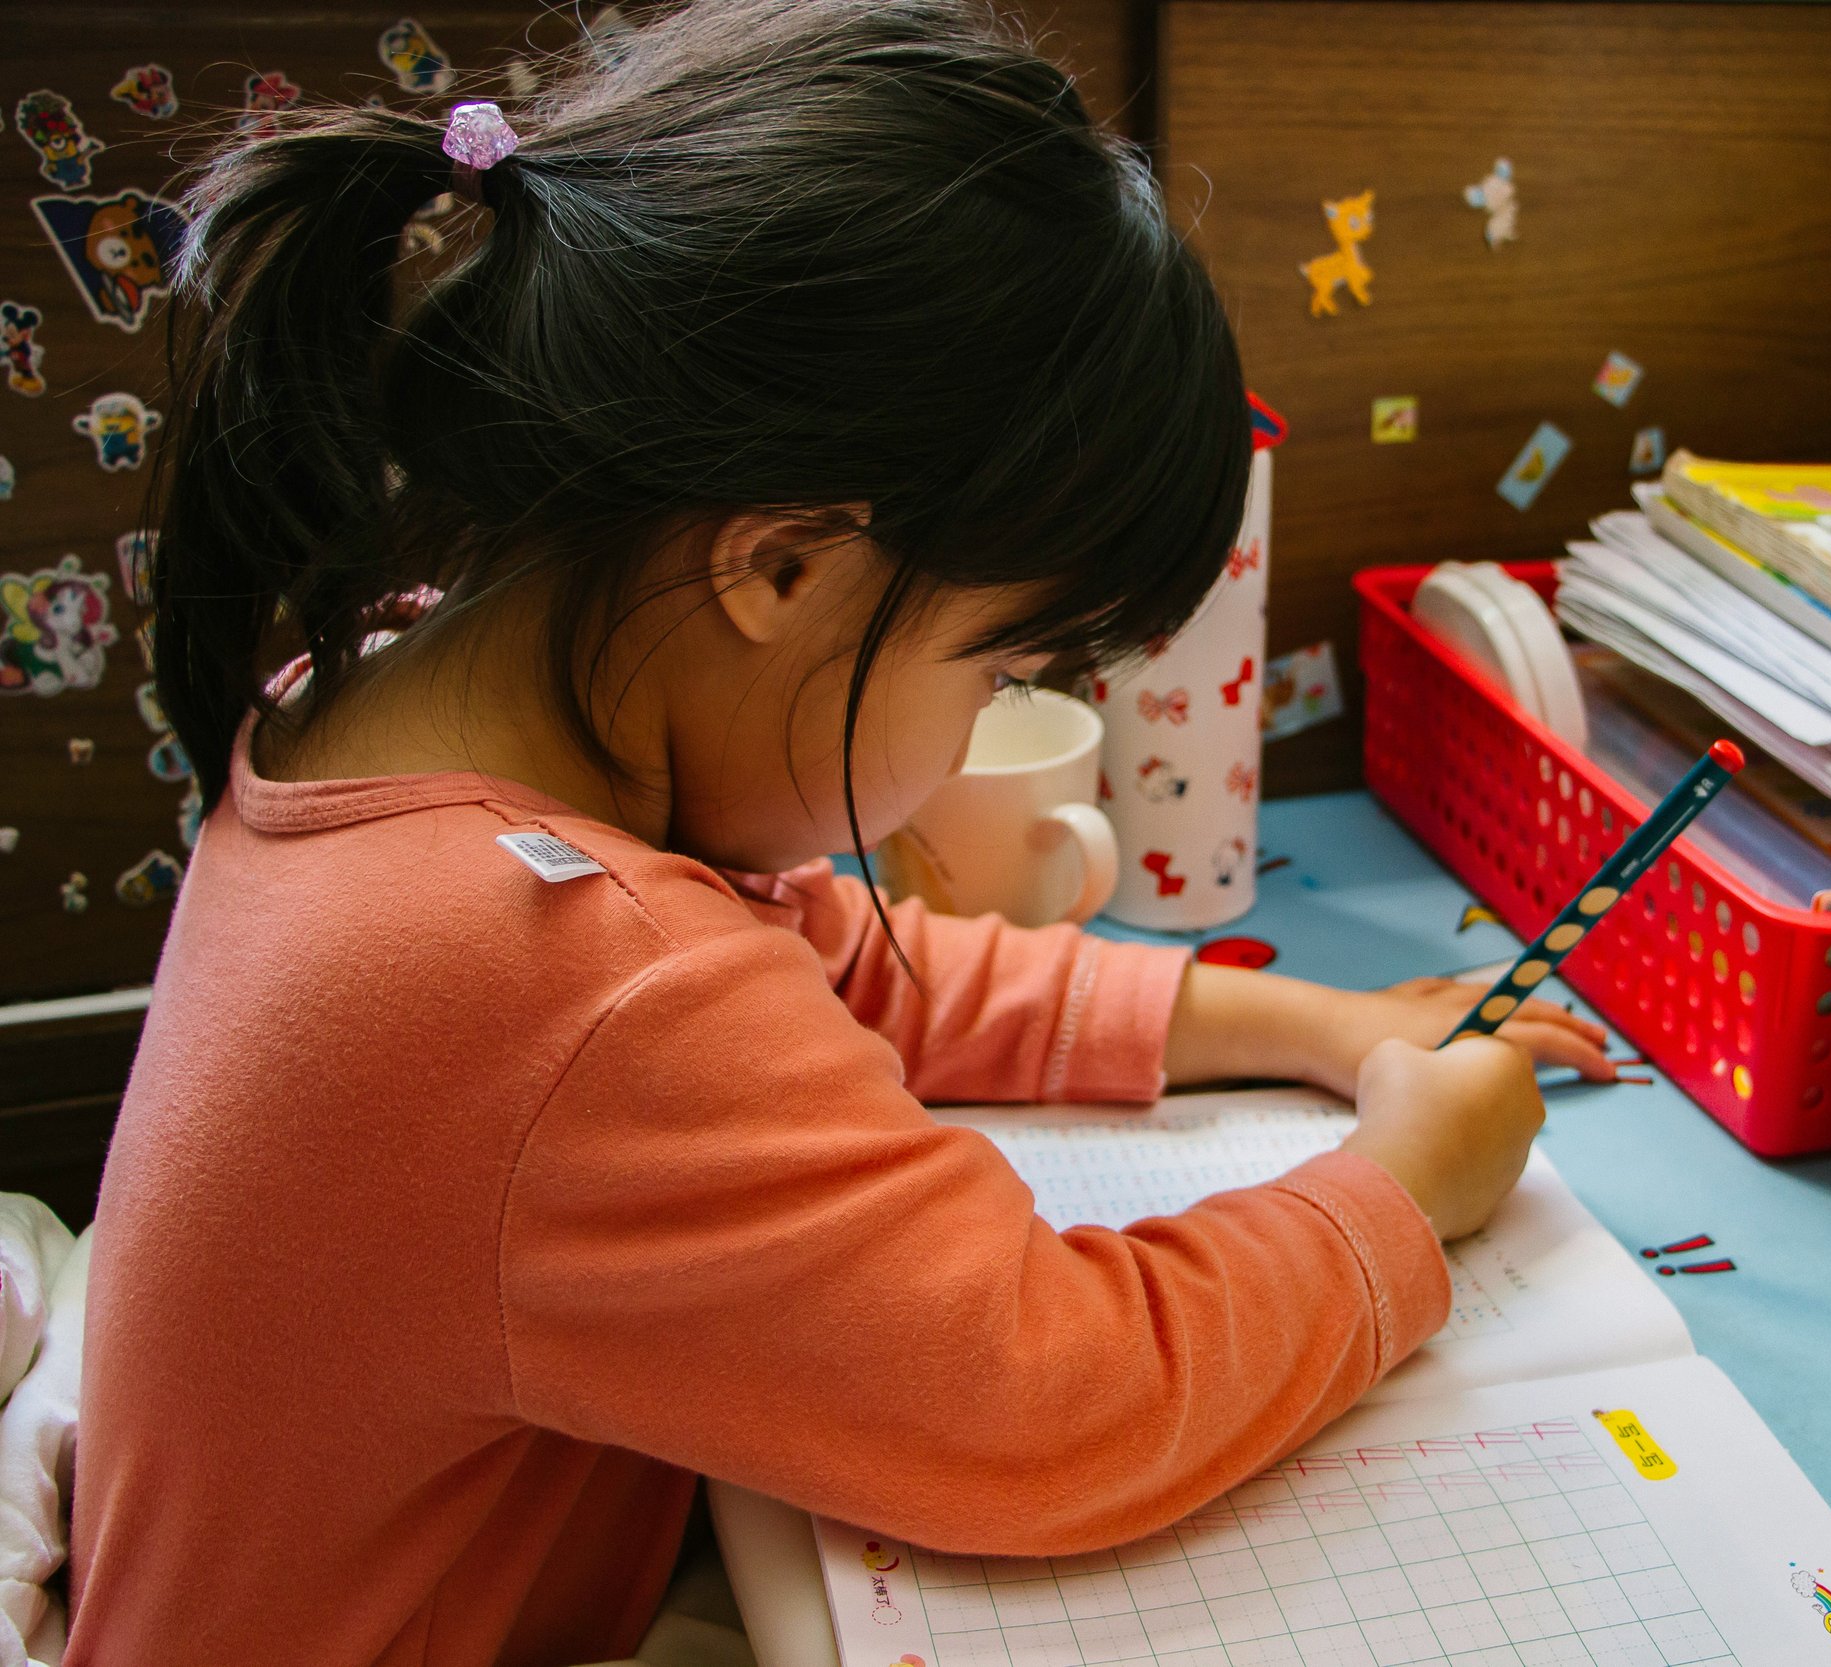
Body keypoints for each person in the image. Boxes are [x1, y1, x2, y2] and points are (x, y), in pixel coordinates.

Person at [68, 4, 1609, 1662]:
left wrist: (1301, 1023)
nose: (984, 730)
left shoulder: (396, 690)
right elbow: (1049, 1400)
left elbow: (818, 966)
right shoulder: (561, 977)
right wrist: (1400, 1195)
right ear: (783, 569)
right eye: (1002, 663)